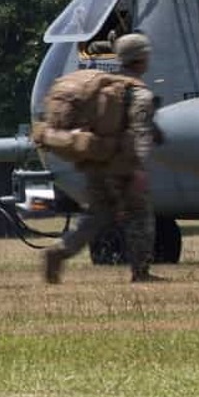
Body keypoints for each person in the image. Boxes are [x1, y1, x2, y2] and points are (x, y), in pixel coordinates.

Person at [43, 33, 164, 284]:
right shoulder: (138, 93)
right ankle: (141, 271)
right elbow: (139, 131)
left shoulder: (104, 86)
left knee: (96, 215)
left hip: (96, 162)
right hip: (122, 166)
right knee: (140, 215)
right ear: (141, 60)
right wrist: (139, 169)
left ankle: (58, 251)